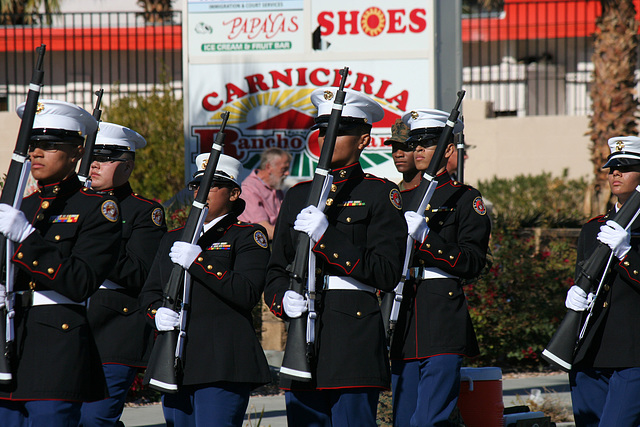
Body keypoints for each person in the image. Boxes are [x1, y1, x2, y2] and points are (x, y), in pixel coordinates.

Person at [264, 88, 407, 425]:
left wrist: (328, 237)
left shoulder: (379, 193)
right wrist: (282, 300)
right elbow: (276, 268)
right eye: (323, 130)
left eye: (339, 131)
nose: (327, 138)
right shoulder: (298, 195)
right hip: (304, 333)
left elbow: (386, 273)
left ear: (363, 140)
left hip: (352, 336)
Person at [0, 100, 122, 426]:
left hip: (56, 348)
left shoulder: (97, 209)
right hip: (10, 338)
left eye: (50, 145)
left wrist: (26, 238)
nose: (37, 153)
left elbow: (81, 280)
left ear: (76, 152)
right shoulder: (19, 206)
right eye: (33, 144)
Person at [139, 153, 271, 426]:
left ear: (234, 193)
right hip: (176, 360)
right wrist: (157, 313)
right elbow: (150, 293)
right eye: (196, 186)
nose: (200, 192)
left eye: (210, 185)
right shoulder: (173, 238)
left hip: (222, 363)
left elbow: (246, 293)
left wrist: (199, 261)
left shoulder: (247, 236)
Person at [389, 109, 491, 427]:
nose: (417, 149)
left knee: (430, 419)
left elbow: (472, 262)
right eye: (415, 142)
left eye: (427, 143)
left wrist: (427, 239)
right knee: (404, 419)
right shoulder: (396, 199)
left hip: (441, 315)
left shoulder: (464, 198)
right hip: (400, 314)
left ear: (447, 149)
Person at [79, 122, 167, 427]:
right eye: (91, 157)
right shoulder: (69, 205)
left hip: (115, 330)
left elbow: (140, 273)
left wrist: (94, 242)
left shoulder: (144, 212)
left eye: (104, 159)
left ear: (127, 167)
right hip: (67, 325)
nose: (94, 166)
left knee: (94, 419)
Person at [567, 136, 640, 426]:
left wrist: (626, 254)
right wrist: (572, 294)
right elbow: (583, 279)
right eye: (611, 169)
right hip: (590, 351)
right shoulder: (592, 228)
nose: (615, 174)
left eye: (626, 167)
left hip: (632, 353)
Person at [237, 147, 291, 240]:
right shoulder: (249, 189)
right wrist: (294, 240)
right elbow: (264, 229)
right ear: (268, 167)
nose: (287, 173)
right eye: (283, 169)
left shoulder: (276, 188)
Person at [384, 119, 421, 191]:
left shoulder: (434, 191)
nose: (398, 154)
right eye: (395, 148)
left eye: (405, 148)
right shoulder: (391, 195)